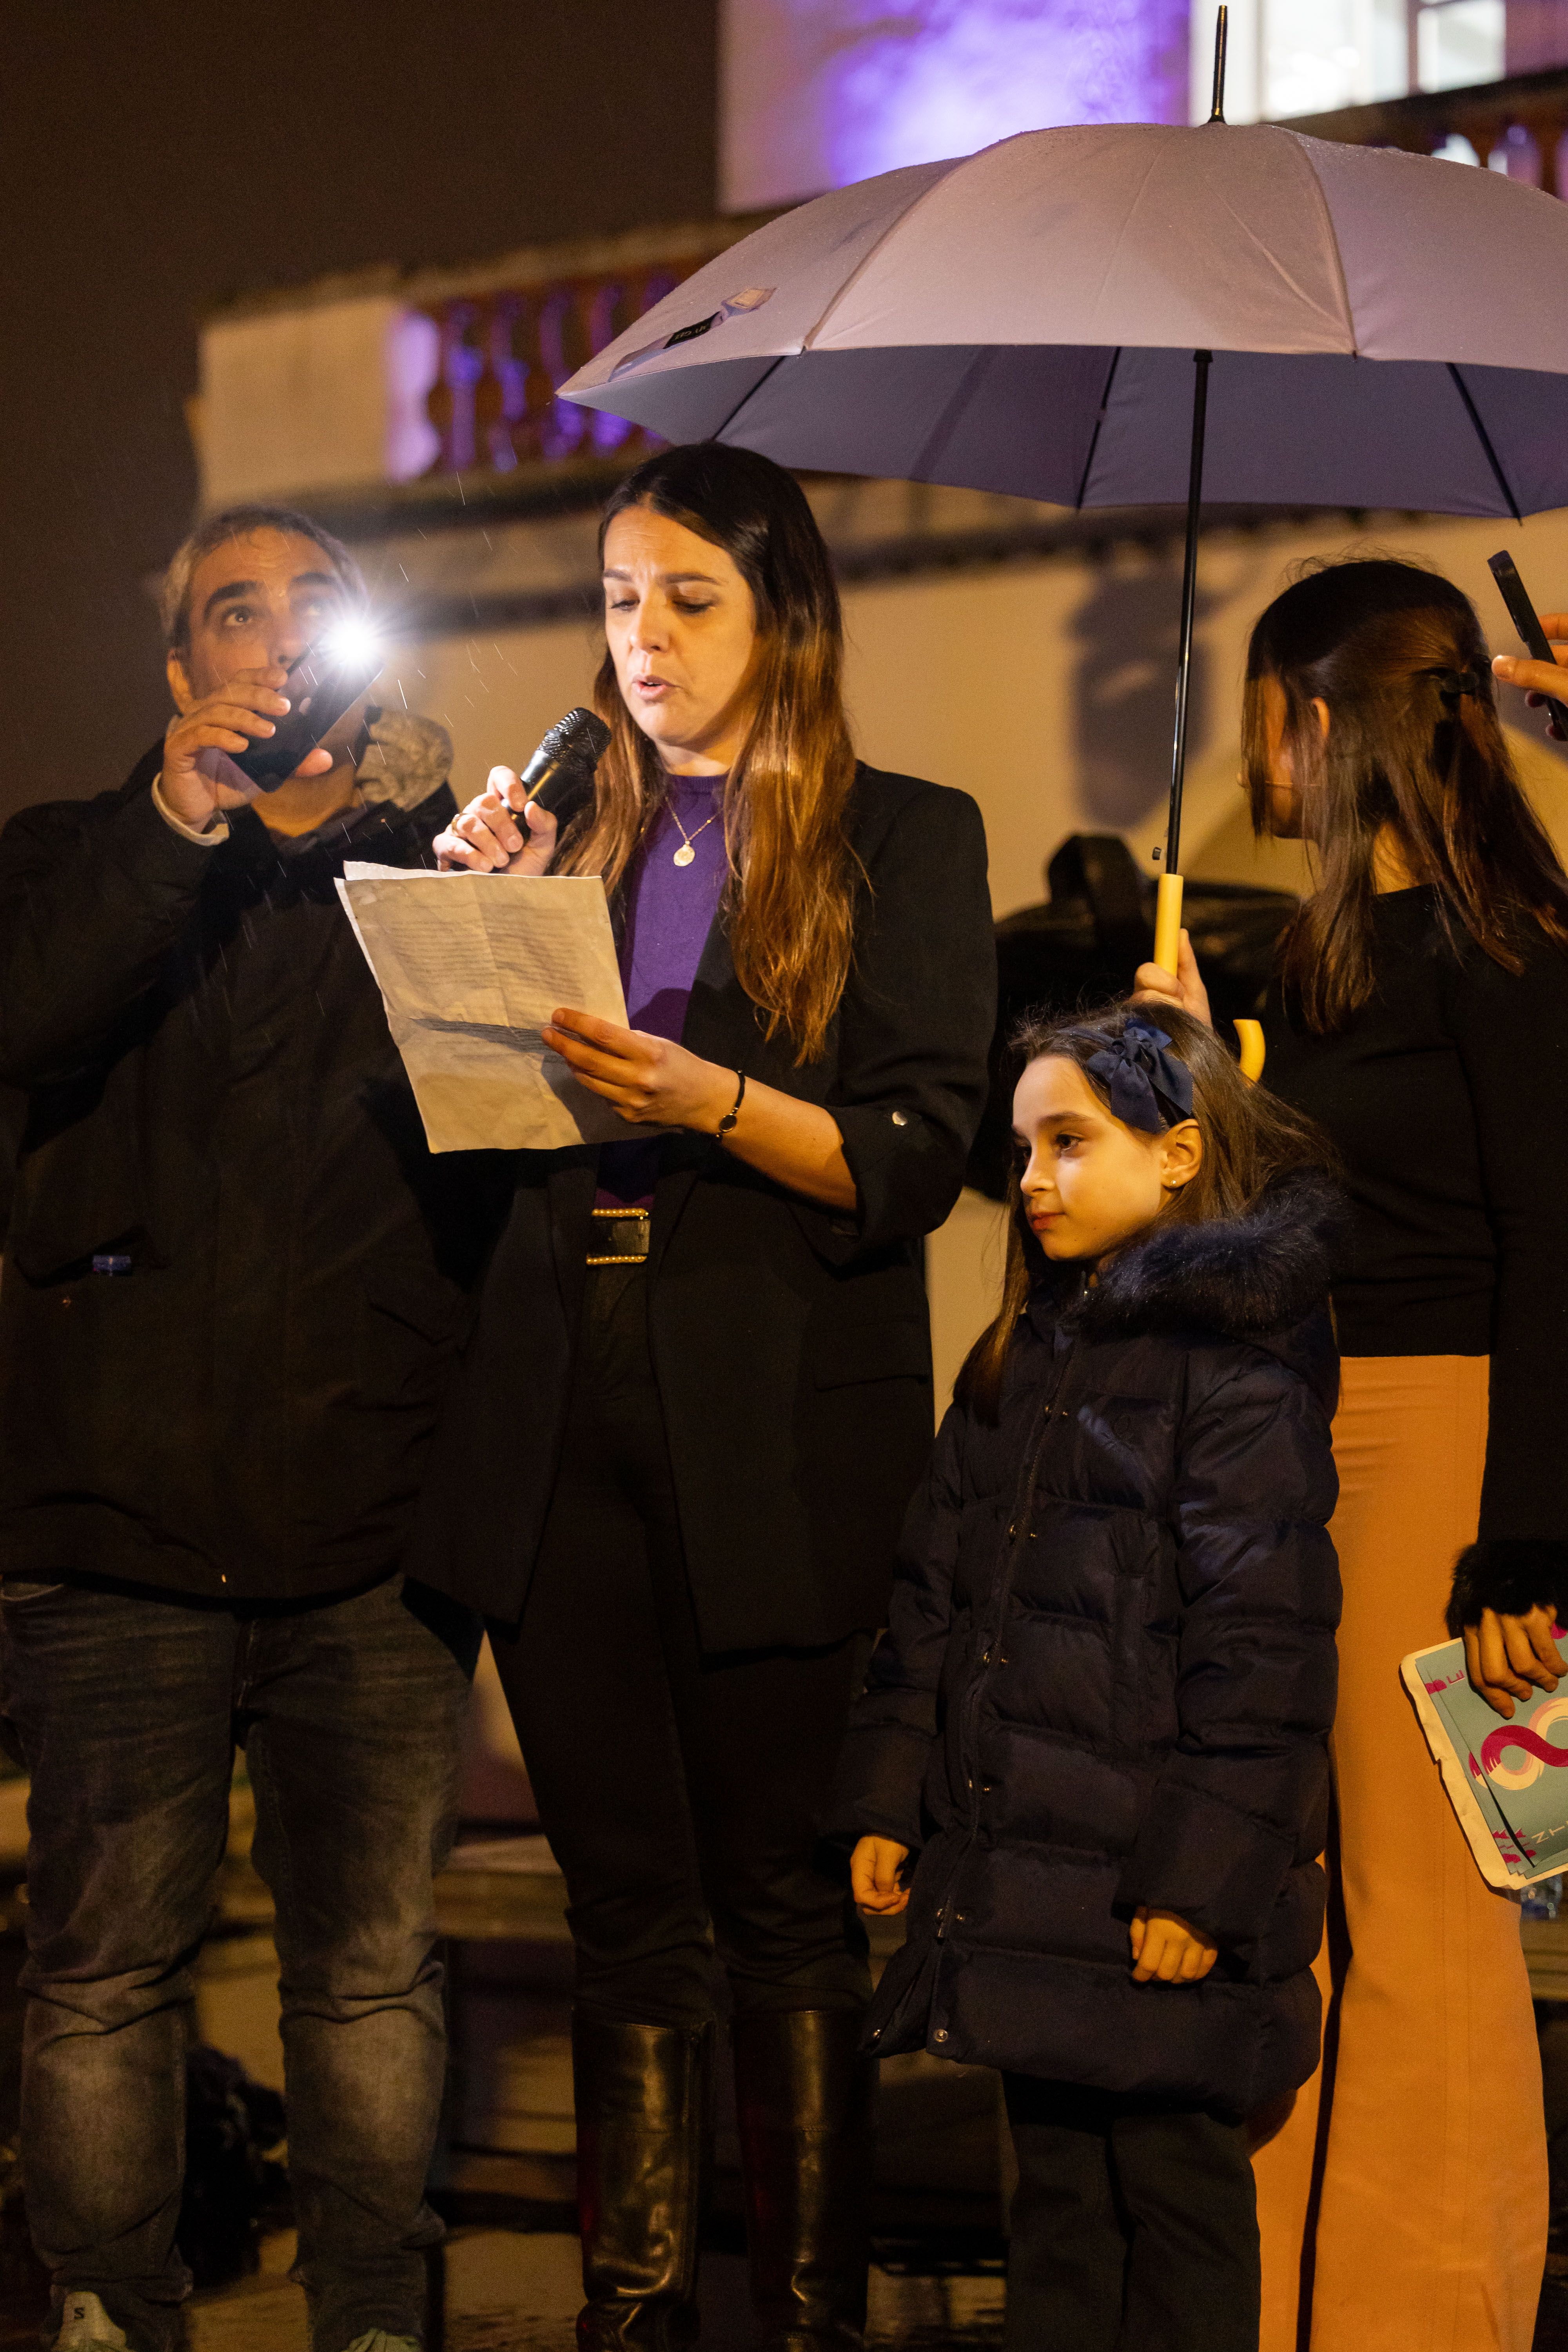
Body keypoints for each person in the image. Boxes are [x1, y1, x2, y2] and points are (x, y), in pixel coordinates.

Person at [417, 442, 996, 2351]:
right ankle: (638, 2313)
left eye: (686, 601)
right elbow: (438, 1139)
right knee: (625, 1910)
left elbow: (918, 1158)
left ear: (783, 617)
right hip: (556, 1402)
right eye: (613, 600)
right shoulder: (561, 832)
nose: (641, 641)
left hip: (770, 1421)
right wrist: (454, 925)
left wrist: (716, 1103)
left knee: (783, 1907)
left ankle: (808, 2318)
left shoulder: (902, 834)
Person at [0, 505, 507, 2352]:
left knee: (367, 1973)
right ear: (176, 669)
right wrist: (174, 825)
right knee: (104, 1971)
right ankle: (110, 2311)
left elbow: (511, 1159)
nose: (276, 643)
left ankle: (374, 2314)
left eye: (317, 611)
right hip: (111, 1526)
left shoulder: (434, 872)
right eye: (236, 611)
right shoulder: (72, 855)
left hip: (370, 1524)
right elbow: (31, 1017)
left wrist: (497, 921)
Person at [1135, 556, 1564, 2352]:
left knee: (1433, 1908)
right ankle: (1278, 2307)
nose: (1256, 762)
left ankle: (1426, 2316)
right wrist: (1173, 1078)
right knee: (1283, 1895)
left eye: (1270, 718)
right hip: (1294, 1437)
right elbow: (1270, 1232)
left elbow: (1555, 1235)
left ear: (1322, 719)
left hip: (1453, 1441)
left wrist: (1529, 1542)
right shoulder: (1300, 955)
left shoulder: (1510, 949)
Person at [837, 1003, 1341, 2352]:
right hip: (1027, 1886)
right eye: (1023, 1149)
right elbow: (934, 1599)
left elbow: (1267, 1658)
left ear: (1178, 1156)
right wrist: (893, 1797)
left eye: (1071, 1141)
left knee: (1176, 2204)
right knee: (1056, 2201)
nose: (1036, 1179)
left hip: (1151, 1893)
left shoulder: (1236, 1379)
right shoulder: (1017, 1361)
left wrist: (1196, 1885)